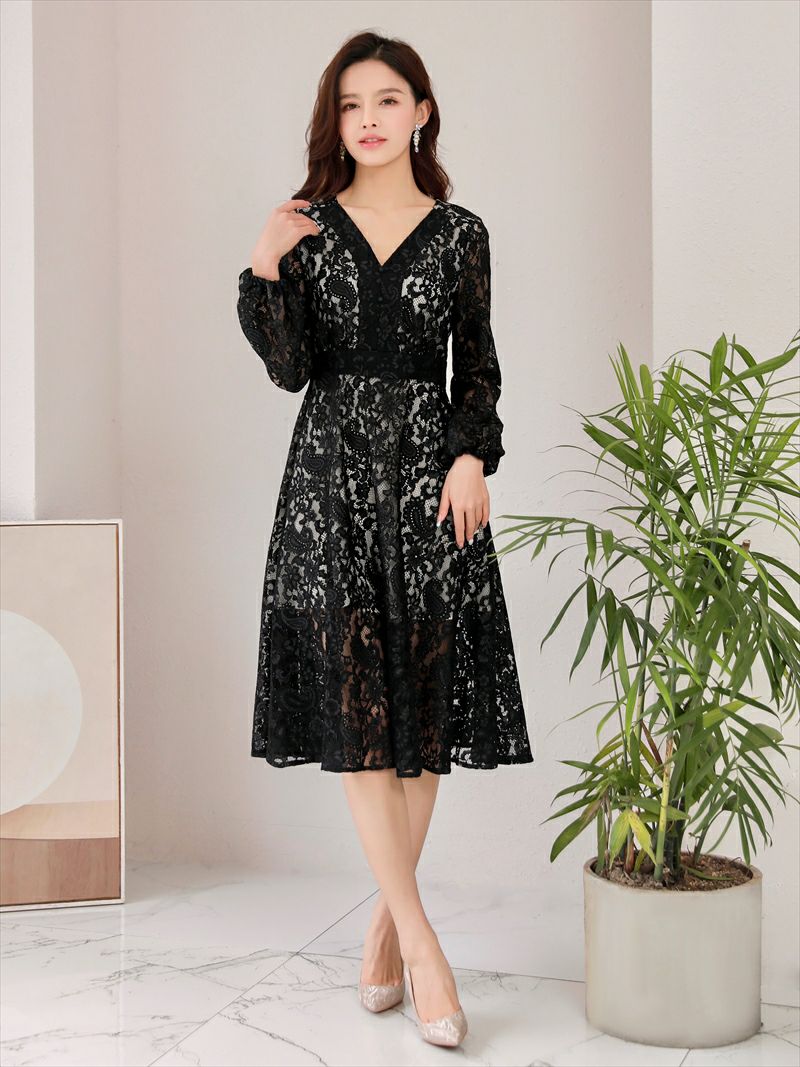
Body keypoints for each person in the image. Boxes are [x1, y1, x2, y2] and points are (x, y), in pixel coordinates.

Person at [236, 30, 534, 1049]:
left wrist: (470, 456)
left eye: (387, 99)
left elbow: (476, 366)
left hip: (429, 481)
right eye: (351, 103)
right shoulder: (309, 228)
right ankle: (422, 940)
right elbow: (291, 369)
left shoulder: (459, 235)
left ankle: (380, 928)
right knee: (359, 704)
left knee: (423, 696)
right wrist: (264, 264)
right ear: (337, 119)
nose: (368, 118)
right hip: (330, 484)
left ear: (420, 112)